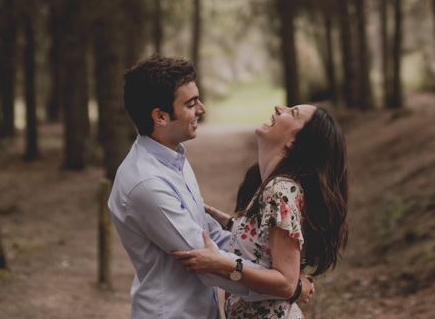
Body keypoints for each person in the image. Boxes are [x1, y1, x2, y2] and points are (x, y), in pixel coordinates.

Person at [108, 55, 314, 319]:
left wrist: (280, 272)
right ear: (160, 116)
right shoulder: (146, 183)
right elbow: (205, 262)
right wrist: (288, 287)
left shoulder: (173, 159)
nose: (202, 109)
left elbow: (212, 239)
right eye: (191, 103)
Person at [173, 103, 348, 319]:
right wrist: (229, 223)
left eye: (292, 113)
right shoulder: (270, 184)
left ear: (295, 143)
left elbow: (286, 283)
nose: (279, 108)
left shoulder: (279, 190)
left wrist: (223, 264)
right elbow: (268, 251)